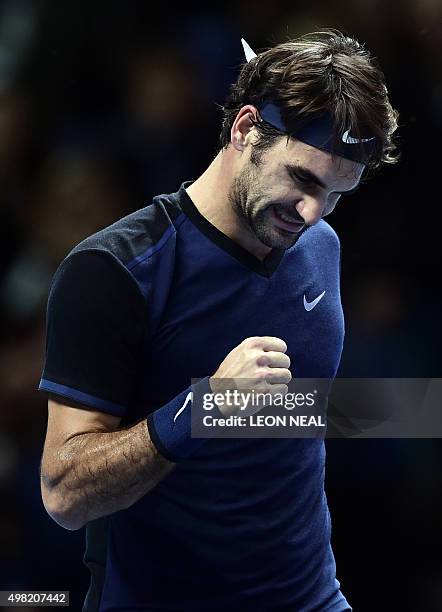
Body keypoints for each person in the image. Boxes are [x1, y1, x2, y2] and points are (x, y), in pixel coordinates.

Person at [39, 30, 399, 611]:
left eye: (336, 194)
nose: (312, 214)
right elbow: (63, 496)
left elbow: (291, 418)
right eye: (304, 179)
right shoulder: (113, 271)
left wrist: (418, 410)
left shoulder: (320, 247)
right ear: (245, 128)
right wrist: (202, 408)